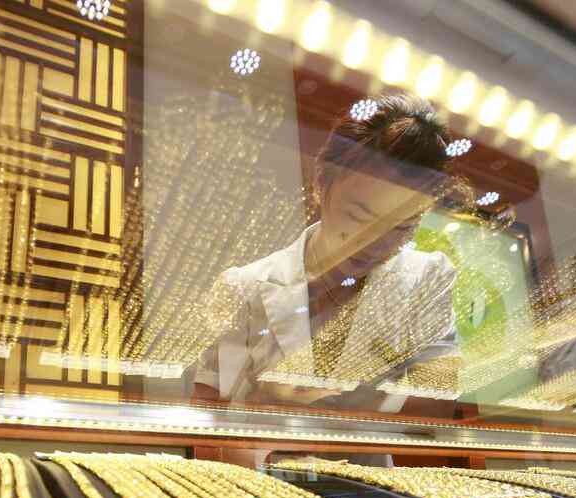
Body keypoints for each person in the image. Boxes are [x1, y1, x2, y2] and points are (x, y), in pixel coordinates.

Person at [193, 92, 461, 410]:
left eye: (403, 226)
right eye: (359, 217)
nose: (376, 243)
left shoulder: (427, 278)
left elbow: (438, 401)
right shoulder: (243, 287)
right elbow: (207, 406)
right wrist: (262, 401)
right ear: (321, 184)